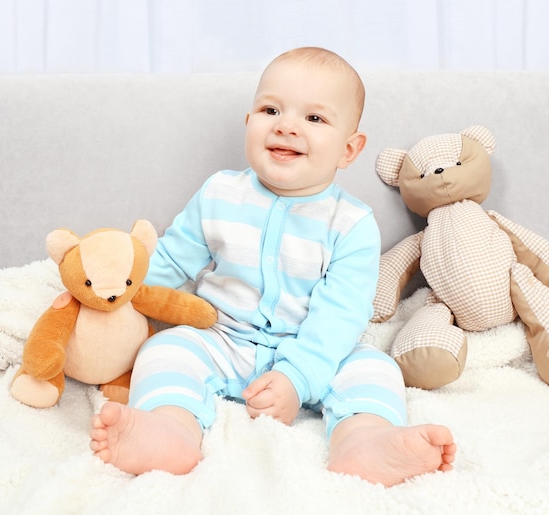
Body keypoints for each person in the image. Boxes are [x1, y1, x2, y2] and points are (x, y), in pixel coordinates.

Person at [89, 46, 456, 487]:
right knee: (165, 350)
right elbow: (169, 262)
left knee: (375, 369)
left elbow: (341, 314)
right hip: (223, 338)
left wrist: (297, 376)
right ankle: (168, 430)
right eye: (270, 109)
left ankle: (365, 442)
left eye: (314, 119)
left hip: (316, 350)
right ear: (249, 124)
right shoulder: (219, 194)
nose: (286, 125)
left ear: (349, 149)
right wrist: (111, 296)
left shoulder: (351, 223)